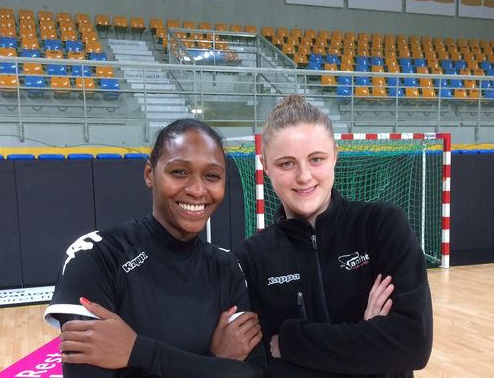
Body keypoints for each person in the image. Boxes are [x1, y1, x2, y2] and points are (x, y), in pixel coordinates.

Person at [44, 119, 265, 378]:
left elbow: (253, 374)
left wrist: (139, 352)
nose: (196, 189)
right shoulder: (97, 256)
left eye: (212, 176)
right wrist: (215, 362)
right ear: (150, 173)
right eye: (179, 172)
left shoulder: (227, 267)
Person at [234, 95, 433, 377]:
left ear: (335, 156)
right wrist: (367, 339)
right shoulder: (251, 258)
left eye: (316, 159)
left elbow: (412, 344)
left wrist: (291, 340)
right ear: (265, 166)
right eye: (286, 164)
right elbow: (262, 367)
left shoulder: (382, 226)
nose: (304, 176)